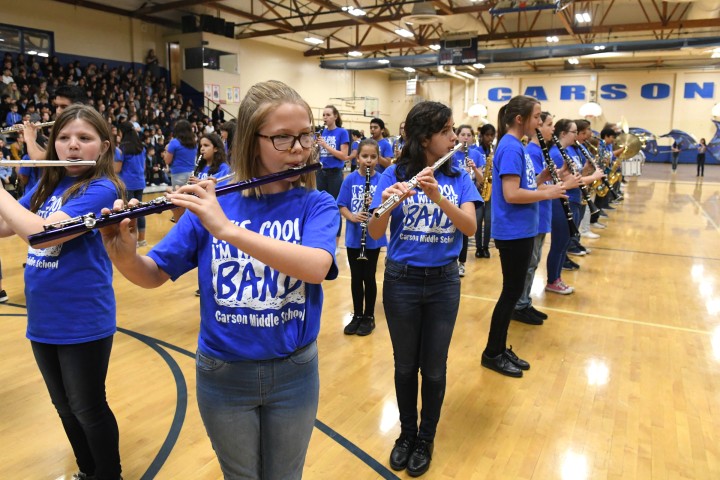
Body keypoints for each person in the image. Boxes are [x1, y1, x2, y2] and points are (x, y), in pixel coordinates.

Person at [100, 80, 339, 480]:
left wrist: (227, 229)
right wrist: (124, 255)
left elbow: (315, 266)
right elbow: (153, 274)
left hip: (293, 372)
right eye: (282, 138)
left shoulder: (317, 204)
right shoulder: (214, 201)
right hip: (224, 373)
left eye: (305, 136)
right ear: (251, 139)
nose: (298, 148)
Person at [0, 104, 125, 480]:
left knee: (87, 407)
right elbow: (7, 226)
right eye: (65, 138)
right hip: (44, 318)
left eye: (84, 139)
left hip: (82, 318)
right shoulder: (47, 185)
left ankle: (109, 475)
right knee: (64, 407)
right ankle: (88, 472)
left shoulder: (102, 188)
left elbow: (42, 235)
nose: (72, 146)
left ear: (102, 147)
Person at [368, 101, 480, 477]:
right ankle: (406, 434)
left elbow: (469, 228)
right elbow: (373, 232)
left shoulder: (458, 175)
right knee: (404, 366)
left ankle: (426, 437)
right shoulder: (394, 174)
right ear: (424, 138)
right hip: (402, 280)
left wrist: (437, 197)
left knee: (433, 369)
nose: (454, 136)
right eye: (447, 130)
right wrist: (385, 203)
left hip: (444, 282)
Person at [481, 96, 568, 378]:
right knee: (510, 293)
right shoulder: (510, 147)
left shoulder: (515, 147)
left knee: (513, 291)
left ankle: (499, 348)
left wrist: (542, 178)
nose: (540, 123)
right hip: (513, 232)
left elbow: (523, 185)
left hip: (522, 230)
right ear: (520, 119)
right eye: (537, 117)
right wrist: (548, 193)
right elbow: (511, 194)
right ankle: (492, 353)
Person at [337, 138, 387, 336]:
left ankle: (369, 316)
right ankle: (357, 315)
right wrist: (353, 217)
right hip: (353, 238)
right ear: (357, 158)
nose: (369, 160)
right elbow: (342, 205)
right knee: (356, 278)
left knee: (369, 277)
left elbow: (386, 208)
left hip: (372, 238)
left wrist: (374, 204)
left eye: (373, 157)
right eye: (365, 156)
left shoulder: (382, 179)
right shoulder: (350, 179)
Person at [453, 125, 484, 277]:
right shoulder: (450, 154)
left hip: (469, 195)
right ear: (457, 136)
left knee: (465, 230)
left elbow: (482, 179)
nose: (465, 137)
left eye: (468, 135)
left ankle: (462, 263)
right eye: (463, 134)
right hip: (453, 195)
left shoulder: (476, 154)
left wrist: (474, 168)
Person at [316, 105, 348, 247]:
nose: (325, 117)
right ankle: (323, 238)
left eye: (328, 114)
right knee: (320, 205)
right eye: (323, 115)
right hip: (321, 172)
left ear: (335, 116)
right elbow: (320, 154)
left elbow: (343, 156)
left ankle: (335, 242)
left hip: (335, 173)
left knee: (335, 206)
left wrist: (326, 146)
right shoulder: (322, 132)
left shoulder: (342, 132)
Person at [116, 122, 148, 247]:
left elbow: (118, 169)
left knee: (129, 212)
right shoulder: (141, 147)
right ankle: (142, 239)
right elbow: (144, 166)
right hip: (140, 181)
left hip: (127, 183)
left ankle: (131, 241)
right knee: (139, 211)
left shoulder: (122, 148)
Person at [164, 119, 198, 222]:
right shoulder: (194, 142)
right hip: (192, 174)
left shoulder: (174, 142)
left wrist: (166, 150)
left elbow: (167, 160)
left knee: (178, 201)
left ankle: (180, 222)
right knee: (190, 200)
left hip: (178, 174)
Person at [475, 123, 496, 258]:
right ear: (482, 136)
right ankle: (478, 247)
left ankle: (486, 247)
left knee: (488, 221)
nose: (489, 138)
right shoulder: (476, 151)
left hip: (490, 190)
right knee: (477, 220)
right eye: (487, 135)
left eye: (491, 135)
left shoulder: (494, 152)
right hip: (477, 190)